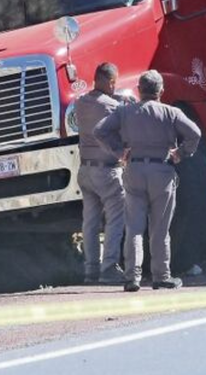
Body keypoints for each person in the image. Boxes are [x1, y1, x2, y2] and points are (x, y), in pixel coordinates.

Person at [92, 70, 201, 292]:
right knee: (160, 229)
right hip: (162, 171)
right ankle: (162, 276)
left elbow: (99, 130)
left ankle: (132, 277)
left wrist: (119, 152)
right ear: (161, 90)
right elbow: (195, 134)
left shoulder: (125, 112)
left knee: (134, 228)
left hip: (134, 170)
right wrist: (181, 153)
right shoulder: (172, 113)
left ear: (139, 90)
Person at [73, 63, 127, 284]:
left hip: (85, 170)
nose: (115, 87)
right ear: (108, 81)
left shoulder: (80, 103)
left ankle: (91, 270)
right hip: (106, 171)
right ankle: (110, 267)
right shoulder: (112, 107)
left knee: (90, 222)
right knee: (115, 218)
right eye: (113, 82)